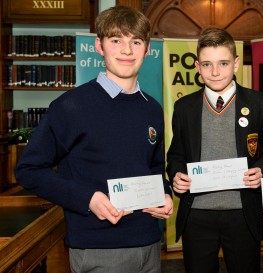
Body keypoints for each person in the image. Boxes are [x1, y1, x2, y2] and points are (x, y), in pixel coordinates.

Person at [14, 6, 173, 273]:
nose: (126, 50)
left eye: (135, 41)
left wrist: (165, 193)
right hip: (98, 248)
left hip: (148, 244)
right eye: (116, 41)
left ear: (147, 49)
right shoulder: (70, 107)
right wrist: (87, 199)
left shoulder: (152, 109)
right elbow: (28, 170)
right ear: (100, 46)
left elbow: (154, 166)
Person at [166, 27, 263, 273]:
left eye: (223, 63)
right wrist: (177, 175)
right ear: (197, 66)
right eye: (207, 64)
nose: (215, 72)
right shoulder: (184, 107)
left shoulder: (259, 104)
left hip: (243, 213)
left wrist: (261, 169)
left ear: (236, 64)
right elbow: (176, 154)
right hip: (197, 215)